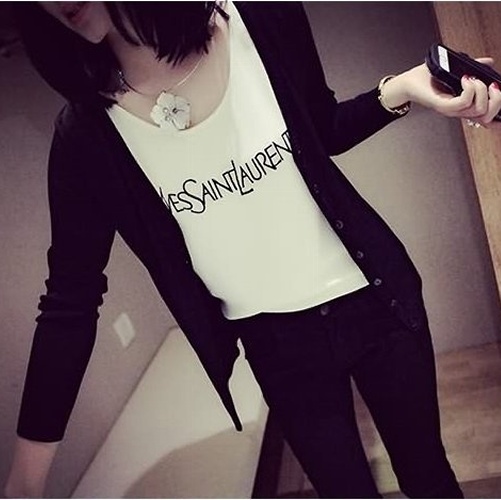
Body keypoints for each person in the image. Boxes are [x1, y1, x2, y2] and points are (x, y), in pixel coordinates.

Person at [5, 2, 501, 498]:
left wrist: (403, 89)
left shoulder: (262, 15)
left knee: (427, 475)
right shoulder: (86, 135)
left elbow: (323, 128)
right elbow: (70, 301)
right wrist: (25, 480)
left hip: (376, 302)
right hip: (278, 346)